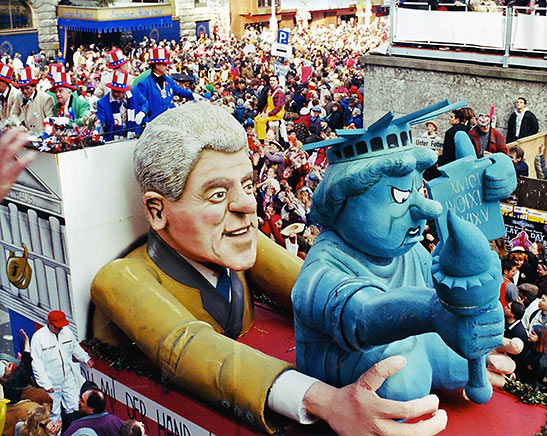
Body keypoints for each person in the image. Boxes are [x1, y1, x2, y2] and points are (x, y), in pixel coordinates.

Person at [91, 102, 449, 436]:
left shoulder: (233, 242)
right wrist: (325, 400)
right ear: (157, 211)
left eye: (247, 185)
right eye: (217, 194)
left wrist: (446, 331)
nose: (248, 204)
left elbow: (322, 293)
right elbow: (187, 346)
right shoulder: (122, 276)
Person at [30, 310, 95, 422]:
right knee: (54, 412)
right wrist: (45, 384)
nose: (60, 329)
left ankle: (74, 430)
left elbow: (75, 347)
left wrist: (86, 358)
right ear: (49, 323)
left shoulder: (67, 332)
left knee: (75, 406)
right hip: (51, 382)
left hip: (68, 378)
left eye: (61, 327)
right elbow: (37, 363)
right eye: (57, 327)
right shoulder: (38, 338)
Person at [136, 48, 194, 122]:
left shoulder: (169, 80)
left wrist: (193, 95)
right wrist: (144, 117)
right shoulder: (144, 84)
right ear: (157, 65)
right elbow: (142, 104)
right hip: (155, 124)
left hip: (171, 121)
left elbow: (180, 91)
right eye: (165, 65)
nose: (167, 68)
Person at [96, 70, 148, 141]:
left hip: (135, 136)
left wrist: (142, 113)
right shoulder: (102, 103)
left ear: (125, 90)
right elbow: (100, 122)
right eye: (114, 91)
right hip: (114, 141)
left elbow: (145, 103)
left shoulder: (134, 92)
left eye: (119, 91)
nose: (116, 94)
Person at [13, 67, 54, 134]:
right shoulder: (19, 96)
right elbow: (13, 113)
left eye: (27, 88)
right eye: (22, 88)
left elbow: (50, 120)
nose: (24, 91)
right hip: (26, 136)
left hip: (41, 136)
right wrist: (19, 124)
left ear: (34, 86)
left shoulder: (46, 98)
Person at [254, 75, 286, 142]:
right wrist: (264, 111)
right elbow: (268, 104)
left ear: (277, 81)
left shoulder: (279, 92)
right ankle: (256, 136)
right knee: (256, 118)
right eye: (271, 80)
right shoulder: (270, 91)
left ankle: (262, 139)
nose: (272, 82)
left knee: (261, 121)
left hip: (276, 114)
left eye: (273, 80)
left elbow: (278, 107)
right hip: (269, 111)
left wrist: (268, 114)